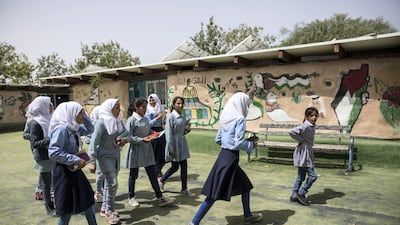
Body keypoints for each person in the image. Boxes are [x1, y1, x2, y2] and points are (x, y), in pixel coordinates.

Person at [190, 92, 263, 225]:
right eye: (247, 104)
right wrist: (251, 144)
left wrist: (232, 143)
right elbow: (237, 143)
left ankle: (247, 216)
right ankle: (194, 222)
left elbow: (218, 139)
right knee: (213, 194)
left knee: (245, 186)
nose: (247, 107)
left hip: (224, 156)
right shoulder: (240, 119)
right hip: (230, 159)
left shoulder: (226, 117)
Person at [48, 101, 97, 225]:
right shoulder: (62, 129)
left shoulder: (74, 127)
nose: (82, 115)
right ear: (71, 114)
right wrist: (75, 159)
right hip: (64, 173)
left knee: (88, 201)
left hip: (75, 170)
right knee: (66, 209)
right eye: (80, 113)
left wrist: (83, 113)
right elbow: (53, 152)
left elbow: (90, 129)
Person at [124, 98, 175, 208]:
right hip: (136, 151)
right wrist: (142, 140)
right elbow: (128, 137)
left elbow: (148, 131)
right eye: (142, 107)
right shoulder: (131, 120)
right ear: (136, 107)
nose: (145, 109)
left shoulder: (145, 119)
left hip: (147, 150)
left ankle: (160, 197)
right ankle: (131, 197)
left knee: (152, 174)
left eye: (145, 107)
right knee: (133, 175)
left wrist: (156, 134)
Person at [88, 98, 127, 225]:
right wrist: (92, 161)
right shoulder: (101, 122)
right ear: (108, 108)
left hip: (115, 156)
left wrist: (124, 139)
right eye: (116, 107)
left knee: (109, 185)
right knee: (112, 183)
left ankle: (105, 208)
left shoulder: (117, 121)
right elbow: (94, 142)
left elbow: (124, 134)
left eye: (119, 107)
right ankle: (110, 211)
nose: (119, 110)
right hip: (104, 157)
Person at [158, 96, 195, 197]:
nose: (180, 105)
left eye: (182, 103)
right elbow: (168, 134)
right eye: (178, 103)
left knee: (184, 166)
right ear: (173, 105)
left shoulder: (183, 117)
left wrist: (187, 130)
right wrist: (170, 148)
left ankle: (184, 188)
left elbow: (182, 133)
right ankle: (161, 180)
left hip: (182, 143)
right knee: (174, 167)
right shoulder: (171, 117)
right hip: (173, 144)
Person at [26, 96, 57, 216]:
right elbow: (34, 143)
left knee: (53, 181)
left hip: (51, 154)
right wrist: (50, 140)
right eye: (49, 105)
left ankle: (54, 204)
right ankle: (49, 207)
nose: (51, 107)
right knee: (46, 183)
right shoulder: (35, 122)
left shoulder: (48, 119)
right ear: (42, 106)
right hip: (43, 157)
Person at [288, 106, 319, 206]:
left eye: (315, 115)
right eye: (311, 116)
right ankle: (301, 193)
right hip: (304, 153)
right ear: (306, 117)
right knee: (313, 176)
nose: (314, 117)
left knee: (301, 176)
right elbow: (291, 131)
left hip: (307, 152)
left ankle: (294, 195)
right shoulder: (306, 126)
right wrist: (301, 140)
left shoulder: (311, 126)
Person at [144, 94, 166, 178]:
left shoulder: (160, 109)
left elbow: (163, 121)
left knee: (162, 152)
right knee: (154, 152)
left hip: (161, 131)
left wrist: (163, 119)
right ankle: (155, 171)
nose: (152, 102)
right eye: (150, 100)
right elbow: (148, 124)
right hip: (152, 131)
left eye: (153, 100)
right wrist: (157, 118)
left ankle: (158, 169)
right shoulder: (147, 111)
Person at [87, 105, 105, 203]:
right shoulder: (96, 125)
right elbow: (91, 142)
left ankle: (103, 192)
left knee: (106, 174)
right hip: (98, 152)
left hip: (106, 152)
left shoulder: (108, 123)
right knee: (100, 173)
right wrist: (92, 161)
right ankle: (98, 192)